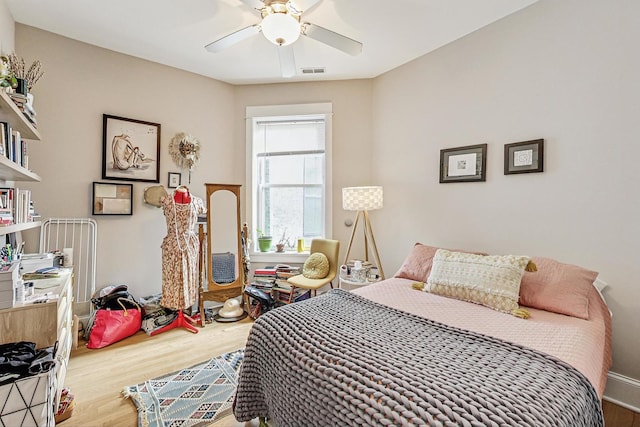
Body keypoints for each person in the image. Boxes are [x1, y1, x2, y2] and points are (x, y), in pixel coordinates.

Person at [160, 186, 205, 310]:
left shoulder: (197, 202)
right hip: (172, 245)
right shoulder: (167, 200)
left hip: (189, 245)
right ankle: (174, 308)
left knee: (189, 276)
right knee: (171, 277)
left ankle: (185, 309)